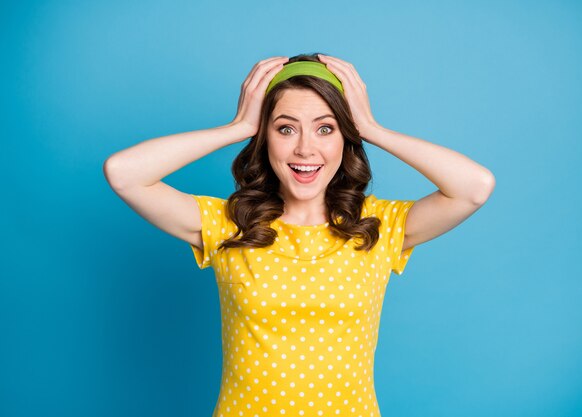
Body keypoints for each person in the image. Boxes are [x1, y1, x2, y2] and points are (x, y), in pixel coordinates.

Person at [104, 52, 495, 416]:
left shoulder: (378, 226)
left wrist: (373, 129)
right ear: (265, 137)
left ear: (346, 136)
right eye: (286, 128)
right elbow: (124, 173)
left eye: (325, 128)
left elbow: (474, 186)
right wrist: (238, 127)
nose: (306, 148)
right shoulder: (230, 224)